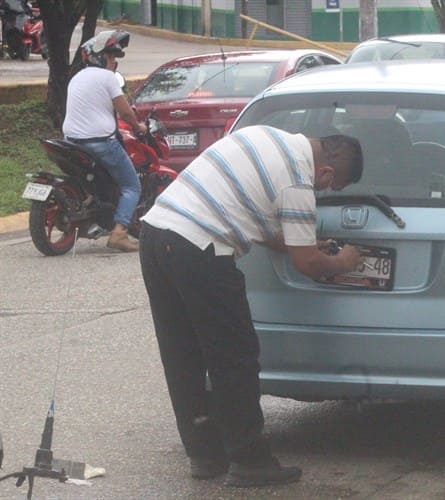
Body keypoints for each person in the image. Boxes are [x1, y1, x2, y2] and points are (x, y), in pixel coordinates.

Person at [138, 126, 364, 488]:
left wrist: (295, 239)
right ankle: (250, 460)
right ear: (327, 172)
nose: (322, 192)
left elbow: (243, 207)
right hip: (200, 248)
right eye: (329, 188)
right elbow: (308, 264)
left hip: (156, 235)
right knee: (234, 356)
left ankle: (204, 453)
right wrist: (345, 261)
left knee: (183, 353)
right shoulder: (298, 181)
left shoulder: (264, 135)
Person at [62, 29, 146, 252]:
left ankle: (93, 210)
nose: (113, 62)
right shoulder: (108, 79)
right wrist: (138, 127)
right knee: (131, 186)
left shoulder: (76, 78)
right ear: (98, 57)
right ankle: (119, 233)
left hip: (70, 142)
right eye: (110, 57)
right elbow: (126, 114)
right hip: (100, 142)